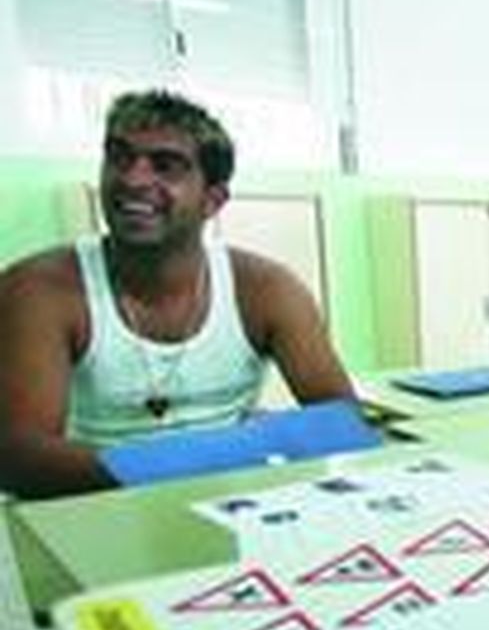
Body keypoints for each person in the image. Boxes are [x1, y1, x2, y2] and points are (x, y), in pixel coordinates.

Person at [0, 89, 354, 499]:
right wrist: (223, 454)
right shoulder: (38, 290)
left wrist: (258, 444)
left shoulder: (268, 289)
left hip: (232, 506)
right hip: (91, 507)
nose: (133, 179)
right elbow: (16, 458)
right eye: (120, 157)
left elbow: (341, 421)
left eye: (166, 166)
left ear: (213, 200)